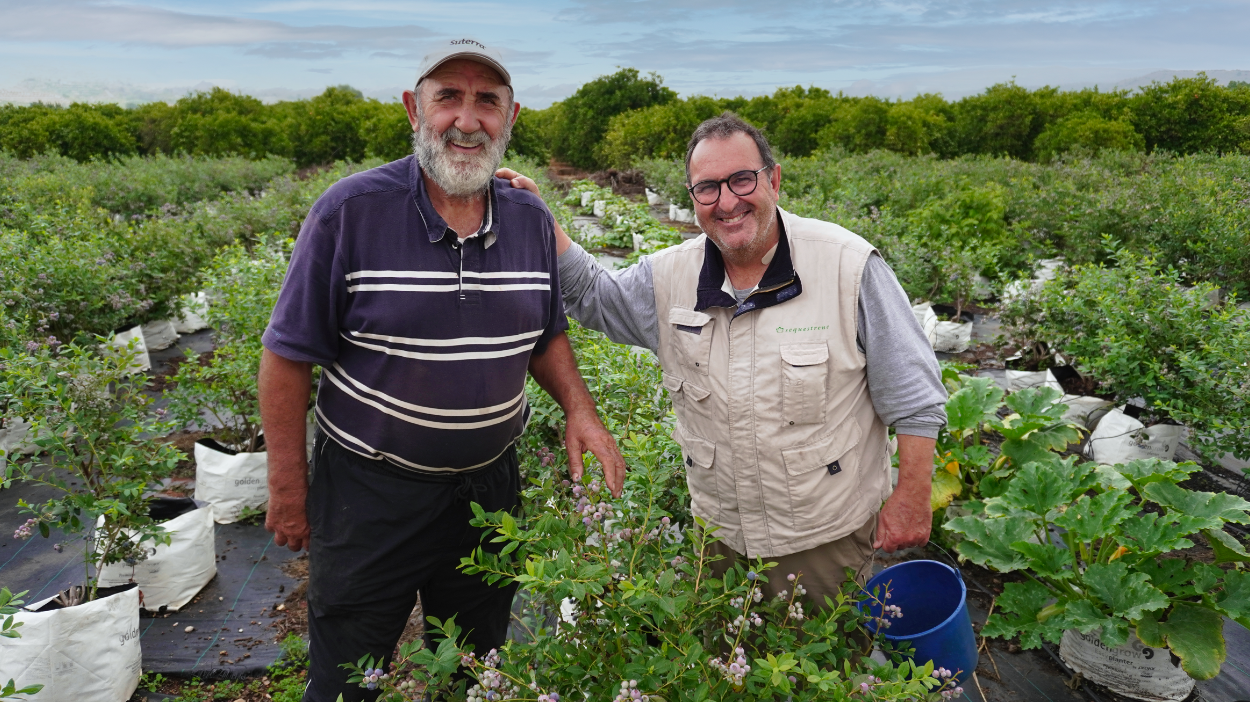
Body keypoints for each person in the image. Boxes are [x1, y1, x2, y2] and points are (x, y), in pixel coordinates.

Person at [259, 39, 626, 702]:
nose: (467, 119)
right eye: (447, 98)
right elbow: (287, 354)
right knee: (348, 673)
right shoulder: (350, 212)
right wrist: (288, 485)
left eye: (487, 101)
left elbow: (545, 332)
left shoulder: (529, 218)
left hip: (487, 493)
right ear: (413, 109)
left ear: (511, 118)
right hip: (370, 493)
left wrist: (581, 411)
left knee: (474, 663)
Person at [498, 112, 946, 606]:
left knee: (820, 671)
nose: (728, 202)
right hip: (719, 538)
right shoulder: (669, 277)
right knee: (726, 672)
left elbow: (913, 394)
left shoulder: (848, 265)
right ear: (693, 200)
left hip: (823, 540)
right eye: (708, 188)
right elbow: (591, 295)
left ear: (773, 180)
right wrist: (543, 218)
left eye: (742, 180)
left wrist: (911, 498)